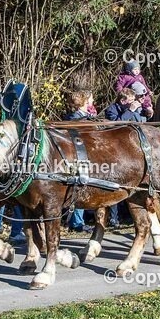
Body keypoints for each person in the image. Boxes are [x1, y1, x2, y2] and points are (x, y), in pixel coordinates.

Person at [62, 89, 94, 232]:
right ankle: (77, 222)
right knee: (79, 185)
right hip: (79, 156)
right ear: (85, 102)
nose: (92, 102)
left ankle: (78, 221)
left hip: (82, 155)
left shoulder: (85, 116)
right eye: (90, 99)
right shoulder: (76, 118)